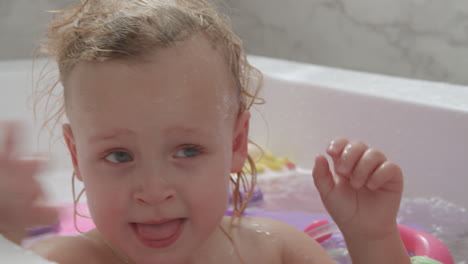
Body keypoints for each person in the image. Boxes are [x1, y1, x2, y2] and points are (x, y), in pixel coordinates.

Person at [0, 0, 411, 263]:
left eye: (187, 151)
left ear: (236, 143)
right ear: (76, 158)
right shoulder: (64, 260)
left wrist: (371, 236)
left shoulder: (275, 252)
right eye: (119, 155)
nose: (154, 190)